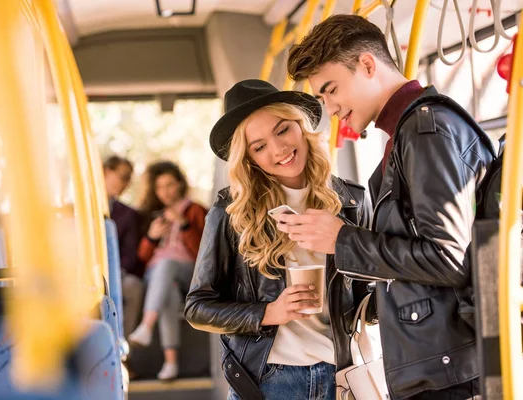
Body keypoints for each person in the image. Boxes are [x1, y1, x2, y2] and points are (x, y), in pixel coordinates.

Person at [282, 14, 496, 400]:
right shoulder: (406, 135)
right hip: (439, 364)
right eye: (322, 98)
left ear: (367, 65)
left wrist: (343, 240)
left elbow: (448, 258)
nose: (330, 109)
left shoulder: (426, 131)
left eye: (331, 90)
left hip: (452, 375)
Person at [184, 79, 372, 400]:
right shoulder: (232, 210)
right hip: (271, 380)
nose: (278, 149)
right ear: (250, 159)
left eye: (283, 130)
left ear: (301, 127)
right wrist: (269, 313)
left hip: (342, 374)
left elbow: (370, 296)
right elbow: (197, 308)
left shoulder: (351, 201)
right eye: (259, 146)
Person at [128, 161, 207, 381]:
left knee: (167, 265)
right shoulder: (152, 215)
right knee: (168, 291)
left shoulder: (195, 209)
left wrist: (183, 224)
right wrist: (152, 237)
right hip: (156, 277)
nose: (165, 191)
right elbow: (142, 258)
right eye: (160, 187)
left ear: (180, 185)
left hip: (187, 270)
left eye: (170, 185)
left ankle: (146, 325)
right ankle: (170, 363)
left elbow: (202, 252)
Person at [103, 156, 144, 338]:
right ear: (106, 172)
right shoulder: (72, 208)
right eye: (123, 176)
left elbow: (130, 254)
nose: (126, 184)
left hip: (115, 274)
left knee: (133, 286)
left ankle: (121, 348)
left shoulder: (128, 214)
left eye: (129, 179)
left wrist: (114, 272)